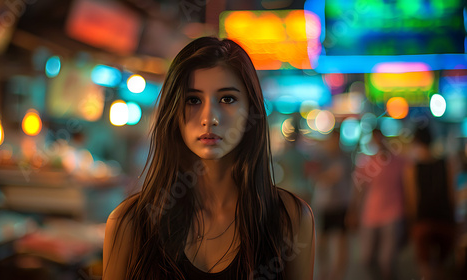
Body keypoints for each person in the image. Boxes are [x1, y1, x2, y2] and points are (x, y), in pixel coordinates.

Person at [102, 37, 315, 280]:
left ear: (251, 111)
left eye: (227, 99)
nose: (209, 118)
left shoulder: (290, 218)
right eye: (193, 100)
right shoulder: (129, 222)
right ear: (173, 112)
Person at [348, 129, 407, 280]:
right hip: (371, 214)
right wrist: (353, 211)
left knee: (386, 259)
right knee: (367, 257)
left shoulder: (399, 161)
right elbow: (358, 189)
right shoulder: (367, 162)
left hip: (393, 213)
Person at [403, 126, 457, 280]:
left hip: (423, 220)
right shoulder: (446, 164)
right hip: (445, 219)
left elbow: (412, 199)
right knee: (442, 266)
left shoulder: (412, 169)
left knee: (425, 266)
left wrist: (411, 223)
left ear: (416, 142)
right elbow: (452, 195)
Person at [311, 130, 352, 280]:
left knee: (341, 241)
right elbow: (314, 177)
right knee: (322, 241)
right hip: (324, 204)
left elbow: (351, 181)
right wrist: (329, 176)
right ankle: (324, 272)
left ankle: (337, 275)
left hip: (341, 204)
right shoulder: (321, 157)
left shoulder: (345, 158)